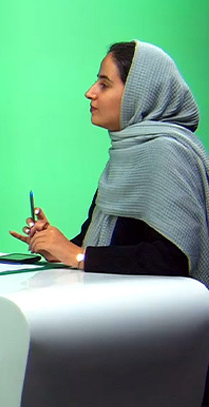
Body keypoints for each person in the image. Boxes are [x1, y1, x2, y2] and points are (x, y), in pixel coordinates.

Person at [11, 41, 208, 284]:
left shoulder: (167, 151)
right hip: (117, 298)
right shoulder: (127, 151)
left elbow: (173, 258)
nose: (90, 92)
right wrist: (55, 246)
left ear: (138, 93)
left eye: (104, 85)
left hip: (150, 306)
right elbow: (107, 246)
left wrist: (78, 255)